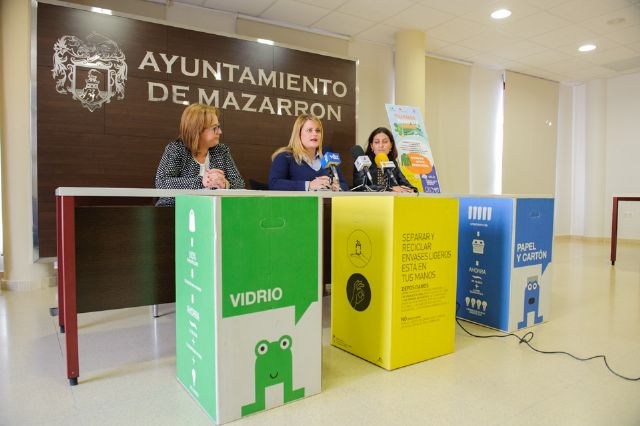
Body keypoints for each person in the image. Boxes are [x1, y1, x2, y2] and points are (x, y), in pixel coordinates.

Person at [155, 103, 245, 206]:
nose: (220, 132)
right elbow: (161, 183)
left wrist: (225, 184)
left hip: (213, 210)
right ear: (197, 129)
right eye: (215, 128)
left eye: (219, 127)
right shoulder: (176, 149)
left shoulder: (221, 150)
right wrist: (202, 182)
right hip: (176, 209)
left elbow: (239, 183)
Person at [268, 114, 348, 191]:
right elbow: (274, 184)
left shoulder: (328, 158)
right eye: (309, 130)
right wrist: (309, 185)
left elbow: (344, 185)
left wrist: (337, 187)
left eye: (318, 131)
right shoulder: (285, 156)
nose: (315, 134)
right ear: (298, 134)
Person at [353, 127, 417, 193]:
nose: (381, 145)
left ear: (391, 145)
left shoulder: (392, 163)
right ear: (372, 146)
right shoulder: (362, 162)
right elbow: (360, 187)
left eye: (385, 142)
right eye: (377, 142)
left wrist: (410, 189)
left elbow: (407, 185)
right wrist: (389, 189)